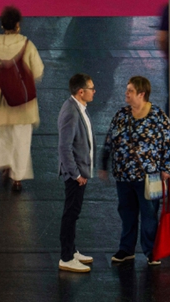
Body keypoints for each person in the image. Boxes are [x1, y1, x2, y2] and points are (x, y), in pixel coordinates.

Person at [99, 77, 170, 265]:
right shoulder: (121, 115)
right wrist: (104, 164)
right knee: (127, 213)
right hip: (123, 176)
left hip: (150, 177)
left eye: (130, 90)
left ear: (141, 94)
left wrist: (167, 168)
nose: (126, 93)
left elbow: (169, 143)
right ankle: (126, 249)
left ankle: (151, 251)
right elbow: (109, 141)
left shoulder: (158, 116)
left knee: (149, 215)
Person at [0, 8, 44, 192]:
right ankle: (17, 178)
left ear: (2, 24)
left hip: (1, 104)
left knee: (3, 137)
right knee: (22, 141)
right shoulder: (27, 44)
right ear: (18, 25)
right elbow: (38, 71)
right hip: (23, 106)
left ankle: (5, 167)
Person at [57, 74, 97, 273]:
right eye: (91, 88)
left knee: (73, 213)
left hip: (80, 173)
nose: (94, 92)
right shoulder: (71, 112)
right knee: (70, 214)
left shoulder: (78, 107)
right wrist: (75, 174)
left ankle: (71, 251)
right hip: (75, 176)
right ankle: (66, 257)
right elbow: (64, 147)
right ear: (81, 92)